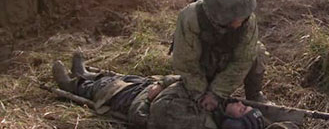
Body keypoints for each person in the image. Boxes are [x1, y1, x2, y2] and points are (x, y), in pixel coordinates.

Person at [51, 52, 266, 129]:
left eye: (241, 110)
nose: (241, 103)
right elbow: (189, 79)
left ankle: (73, 84)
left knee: (109, 88)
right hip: (154, 88)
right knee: (122, 78)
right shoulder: (219, 103)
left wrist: (149, 98)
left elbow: (143, 118)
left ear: (231, 124)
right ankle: (86, 74)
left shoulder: (194, 124)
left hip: (134, 100)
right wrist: (162, 84)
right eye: (243, 106)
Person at [172, 0, 268, 113]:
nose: (240, 24)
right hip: (203, 66)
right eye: (236, 20)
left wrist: (217, 93)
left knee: (258, 52)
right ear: (219, 16)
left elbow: (242, 61)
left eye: (243, 18)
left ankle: (254, 95)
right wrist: (201, 94)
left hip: (225, 62)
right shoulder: (191, 18)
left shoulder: (247, 20)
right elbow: (186, 63)